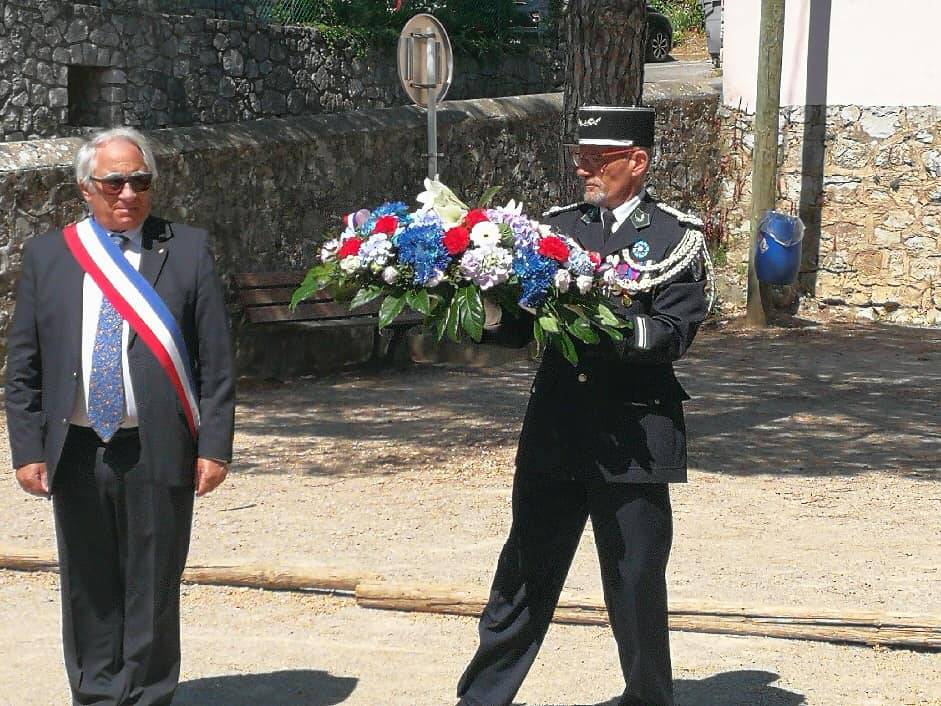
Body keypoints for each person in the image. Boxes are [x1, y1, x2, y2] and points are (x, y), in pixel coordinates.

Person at [456, 106, 709, 706]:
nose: (584, 170)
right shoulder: (555, 230)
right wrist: (479, 308)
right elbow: (519, 324)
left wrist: (599, 324)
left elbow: (672, 332)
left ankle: (648, 697)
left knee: (635, 581)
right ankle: (482, 698)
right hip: (558, 430)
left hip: (633, 438)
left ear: (637, 163)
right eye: (581, 158)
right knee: (523, 574)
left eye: (598, 160)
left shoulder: (676, 237)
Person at [5, 127, 235, 705]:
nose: (128, 192)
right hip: (77, 446)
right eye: (114, 181)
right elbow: (24, 365)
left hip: (158, 444)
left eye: (140, 180)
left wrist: (215, 446)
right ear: (86, 186)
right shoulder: (49, 255)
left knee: (153, 582)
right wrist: (27, 449)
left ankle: (149, 695)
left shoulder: (185, 249)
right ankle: (96, 693)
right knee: (88, 581)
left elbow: (217, 360)